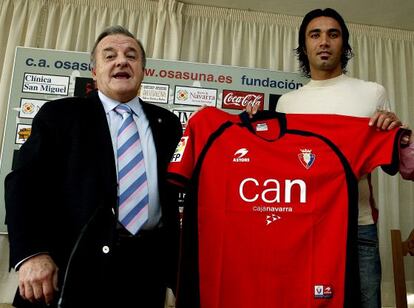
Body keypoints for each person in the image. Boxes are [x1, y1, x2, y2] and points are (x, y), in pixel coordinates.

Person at [5, 25, 182, 308]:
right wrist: (32, 253)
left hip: (145, 273)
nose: (121, 60)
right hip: (71, 268)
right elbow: (24, 183)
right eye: (109, 56)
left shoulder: (168, 124)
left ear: (142, 70)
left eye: (131, 55)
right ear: (95, 71)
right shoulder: (61, 115)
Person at [248, 8, 414, 308]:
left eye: (333, 34)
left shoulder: (373, 92)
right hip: (301, 228)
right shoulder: (287, 103)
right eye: (315, 34)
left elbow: (394, 164)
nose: (324, 41)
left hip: (358, 226)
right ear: (304, 46)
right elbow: (279, 167)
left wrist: (395, 132)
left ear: (344, 45)